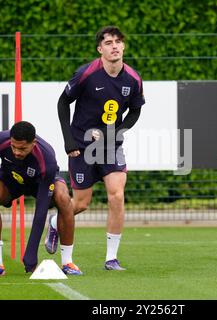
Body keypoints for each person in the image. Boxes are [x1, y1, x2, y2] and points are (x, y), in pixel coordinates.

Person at [45, 26, 145, 271]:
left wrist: (117, 133)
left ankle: (111, 258)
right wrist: (68, 140)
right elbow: (62, 102)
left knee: (117, 195)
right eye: (108, 42)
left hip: (111, 145)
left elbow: (135, 109)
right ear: (100, 49)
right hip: (82, 145)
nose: (114, 46)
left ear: (123, 47)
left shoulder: (133, 79)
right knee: (80, 204)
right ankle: (56, 222)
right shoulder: (86, 74)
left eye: (118, 42)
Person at [0, 121, 81, 276]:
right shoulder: (1, 140)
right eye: (13, 147)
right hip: (11, 179)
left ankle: (67, 262)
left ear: (33, 143)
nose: (17, 152)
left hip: (40, 183)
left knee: (63, 197)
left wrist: (31, 254)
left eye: (22, 148)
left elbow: (40, 212)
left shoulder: (47, 159)